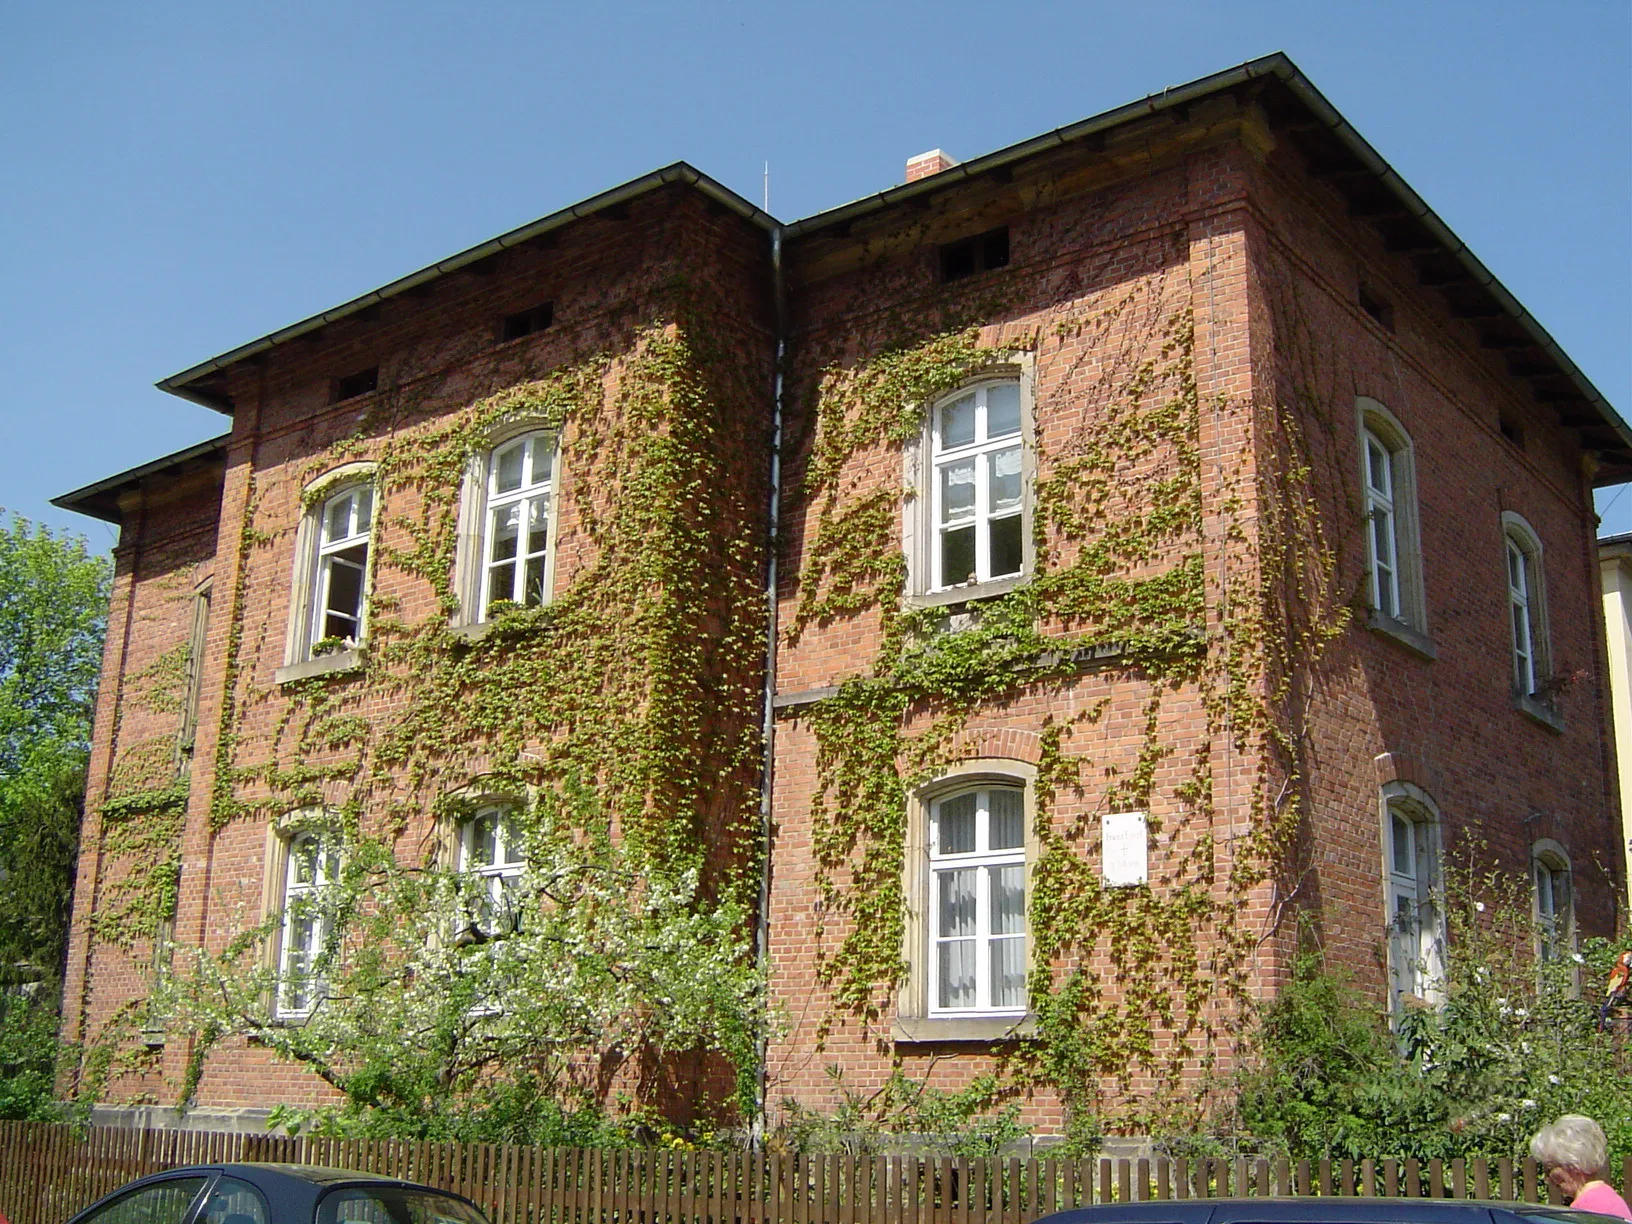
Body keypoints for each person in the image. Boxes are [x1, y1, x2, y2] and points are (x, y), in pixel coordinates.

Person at [1529, 1114, 1632, 1219]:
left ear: (1573, 1165)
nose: (1547, 1179)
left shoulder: (1586, 1208)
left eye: (1549, 1169)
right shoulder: (1608, 1196)